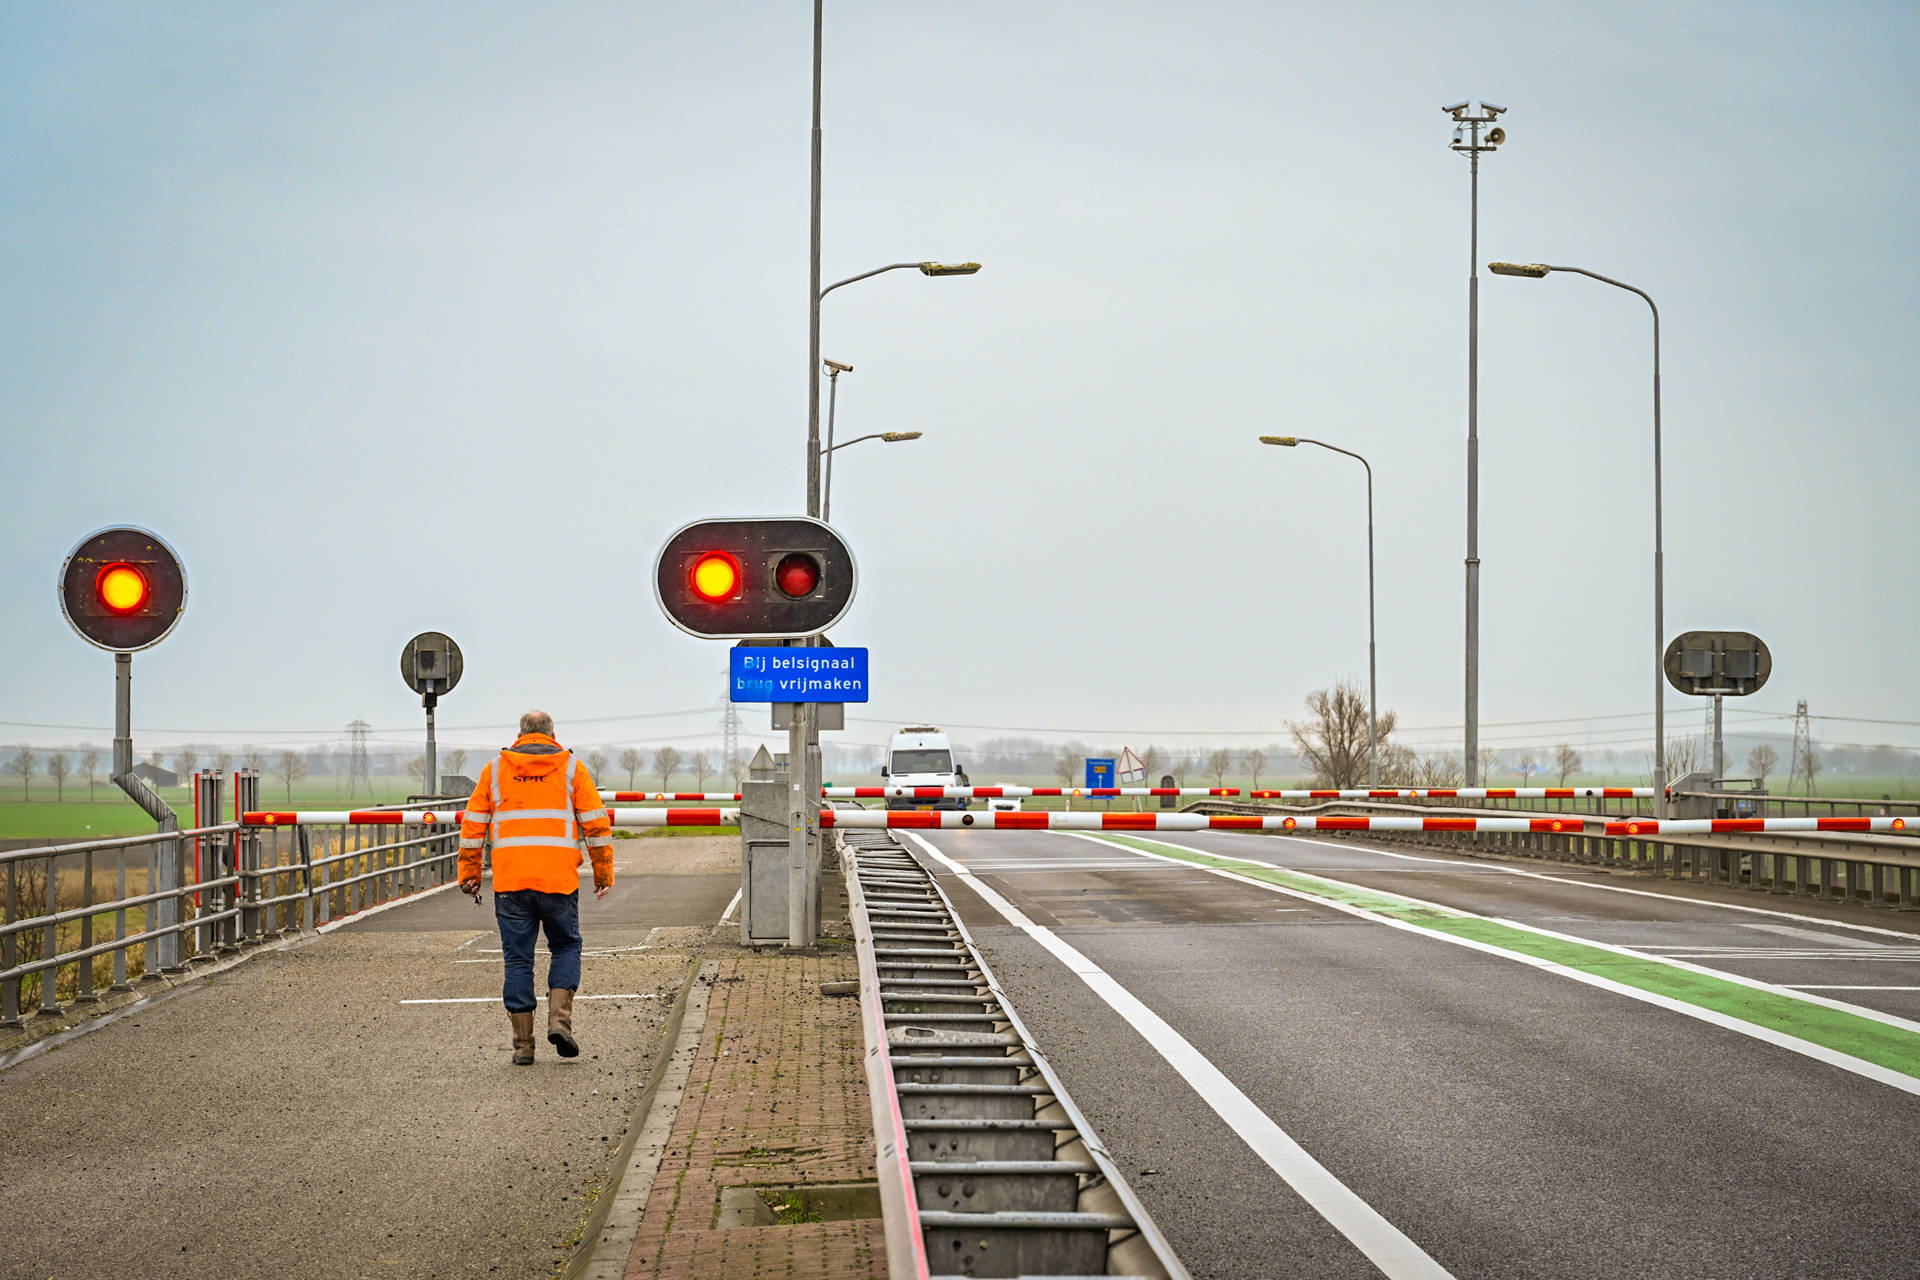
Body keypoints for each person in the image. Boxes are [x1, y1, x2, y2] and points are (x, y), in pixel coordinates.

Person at [459, 710, 614, 1066]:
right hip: (558, 881)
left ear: (520, 734)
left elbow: (472, 826)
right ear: (552, 733)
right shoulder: (572, 768)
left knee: (517, 960)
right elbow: (595, 822)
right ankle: (559, 1023)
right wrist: (603, 873)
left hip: (511, 883)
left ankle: (523, 1047)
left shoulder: (495, 769)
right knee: (565, 947)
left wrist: (469, 874)